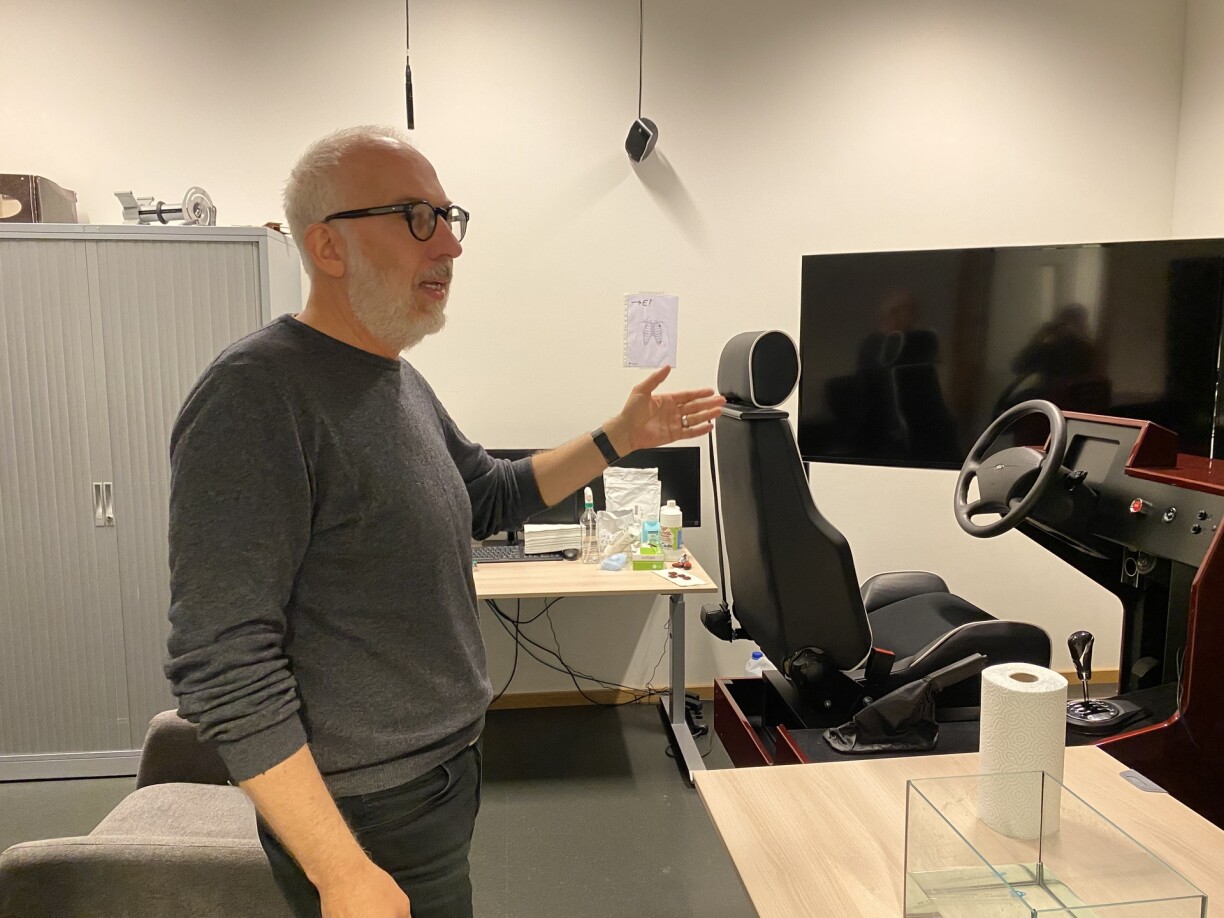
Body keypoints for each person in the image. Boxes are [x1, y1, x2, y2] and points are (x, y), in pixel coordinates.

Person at [164, 124, 725, 918]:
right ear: (328, 247)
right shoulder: (255, 399)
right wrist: (339, 871)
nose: (450, 249)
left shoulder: (394, 380)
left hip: (437, 776)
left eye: (448, 217)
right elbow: (222, 663)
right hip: (364, 810)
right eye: (414, 218)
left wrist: (620, 437)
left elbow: (491, 495)